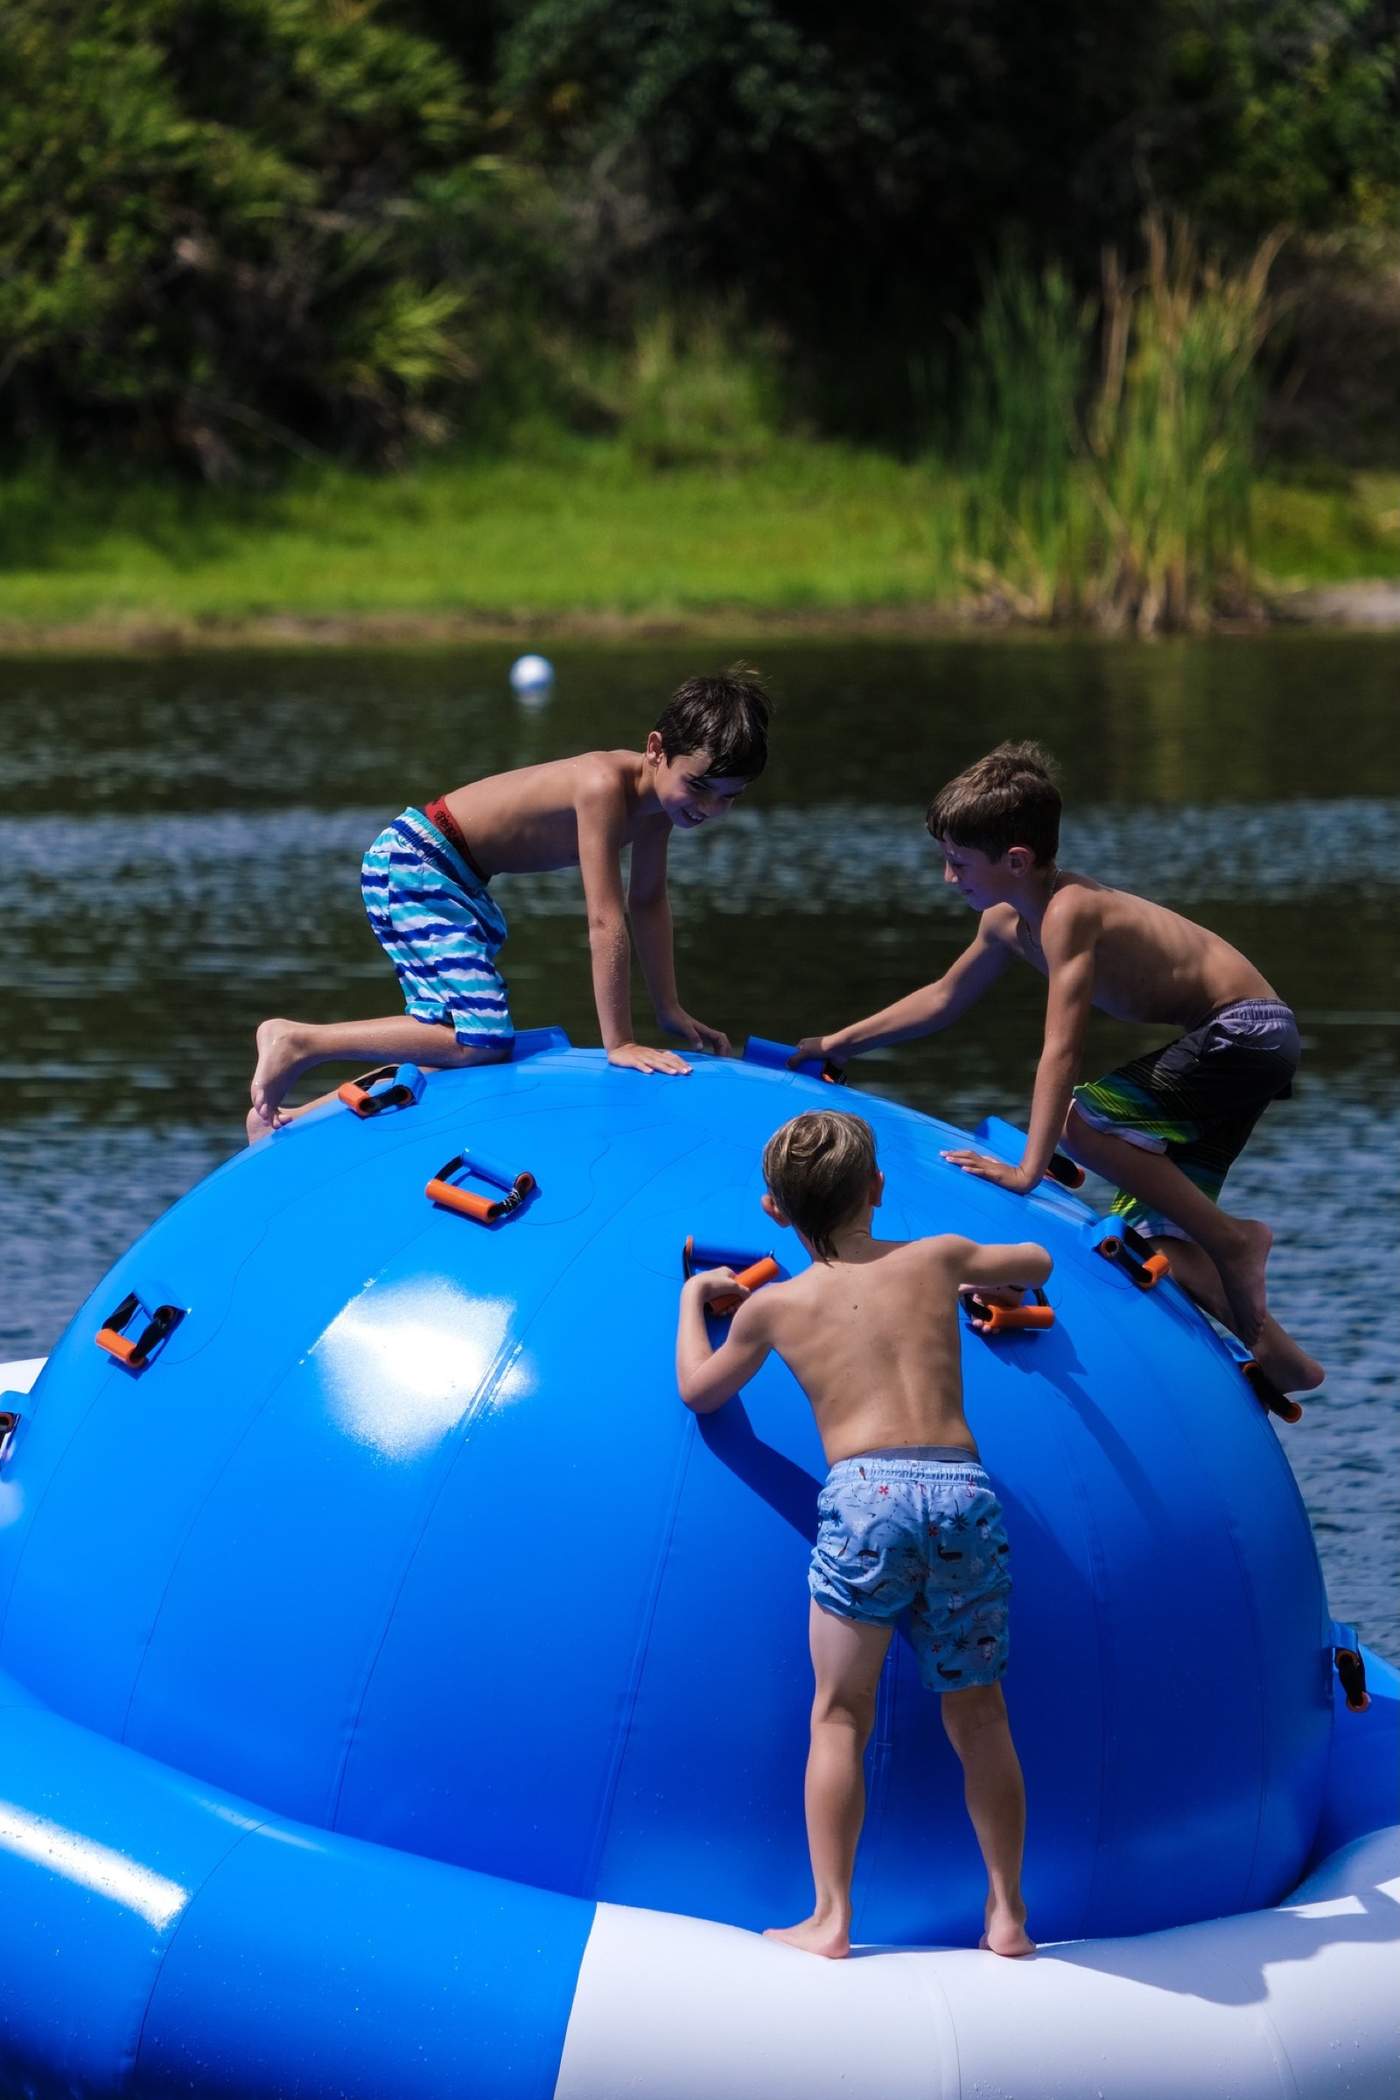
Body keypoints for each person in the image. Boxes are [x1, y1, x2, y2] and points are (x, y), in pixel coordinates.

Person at [791, 742, 1322, 1396]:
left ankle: (1236, 1241)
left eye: (959, 863)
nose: (949, 878)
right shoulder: (1005, 922)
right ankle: (1281, 1354)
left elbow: (1062, 1050)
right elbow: (942, 998)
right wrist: (838, 1042)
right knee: (1150, 1240)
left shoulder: (1070, 912)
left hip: (1245, 1032)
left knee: (1084, 1122)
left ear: (1016, 861)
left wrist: (1027, 1171)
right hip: (1239, 1048)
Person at [675, 1107, 1046, 1961]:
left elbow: (700, 1391)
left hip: (865, 1495)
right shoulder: (937, 1259)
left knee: (840, 1715)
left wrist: (699, 1299)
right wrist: (976, 1281)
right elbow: (1037, 1262)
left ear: (776, 1211)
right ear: (878, 1189)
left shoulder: (774, 1307)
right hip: (960, 1492)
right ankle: (1008, 1915)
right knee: (982, 1714)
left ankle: (832, 1919)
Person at [246, 667, 770, 1139]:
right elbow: (605, 919)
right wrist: (620, 1043)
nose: (709, 808)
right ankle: (298, 1041)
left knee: (449, 1045)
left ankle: (285, 1124)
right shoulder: (601, 785)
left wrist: (669, 1008)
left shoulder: (659, 809)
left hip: (455, 881)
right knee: (484, 1038)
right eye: (699, 786)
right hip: (417, 864)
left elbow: (650, 901)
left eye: (728, 796)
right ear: (656, 749)